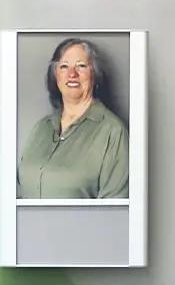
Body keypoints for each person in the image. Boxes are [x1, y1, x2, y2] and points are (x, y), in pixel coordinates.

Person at [16, 37, 130, 199]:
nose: (72, 74)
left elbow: (114, 214)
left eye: (81, 66)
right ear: (56, 76)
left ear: (94, 74)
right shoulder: (41, 128)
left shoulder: (113, 132)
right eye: (64, 66)